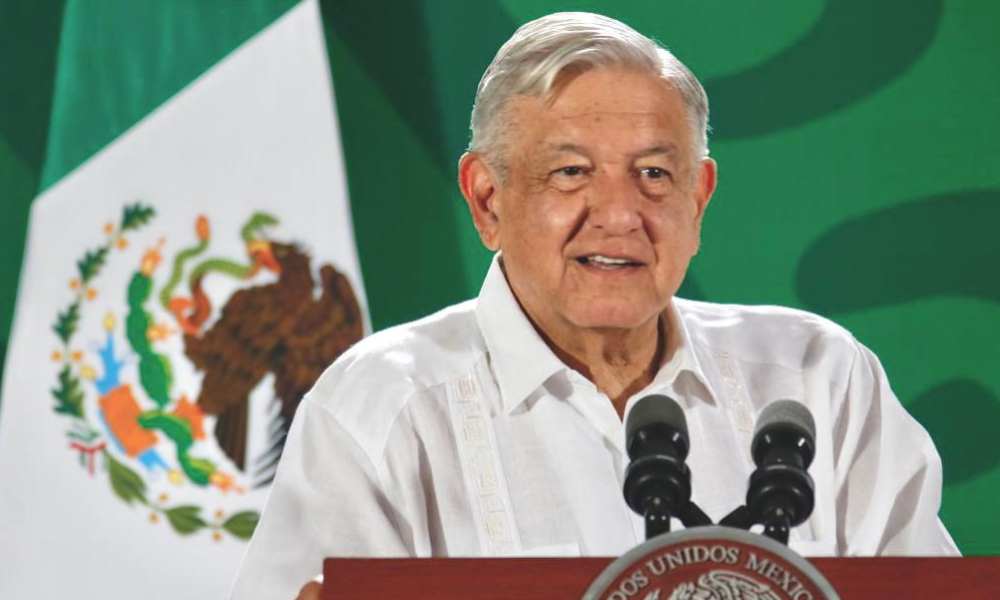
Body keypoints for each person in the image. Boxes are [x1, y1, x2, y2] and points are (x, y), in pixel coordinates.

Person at [230, 11, 959, 600]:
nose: (618, 214)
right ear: (487, 199)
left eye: (654, 174)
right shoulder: (383, 407)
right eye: (571, 172)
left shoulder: (818, 379)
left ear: (698, 199)